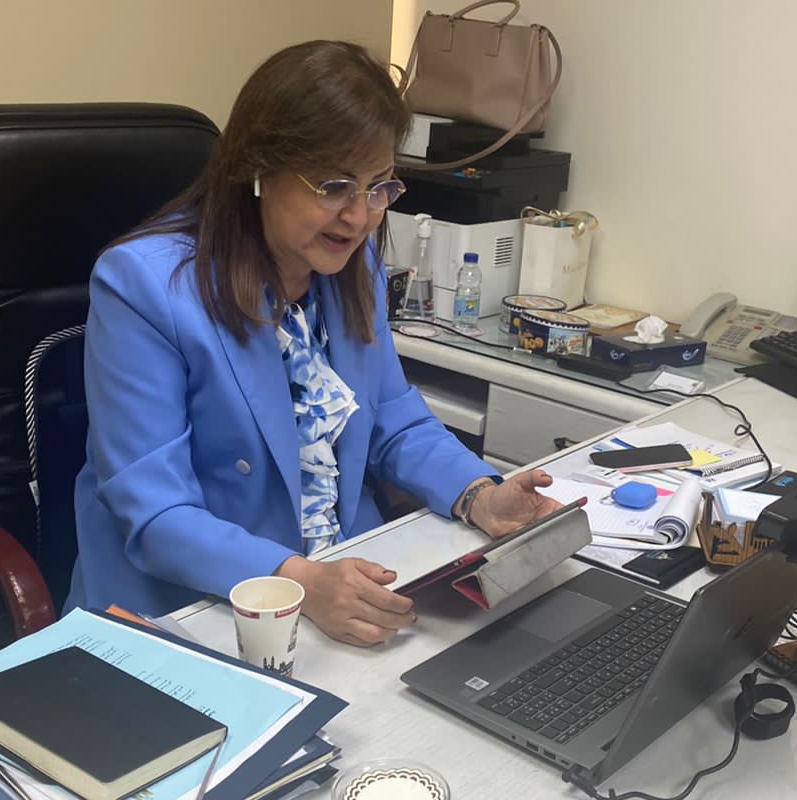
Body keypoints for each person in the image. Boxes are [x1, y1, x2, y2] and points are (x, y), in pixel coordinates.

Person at [66, 40, 558, 646]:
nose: (359, 216)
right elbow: (155, 512)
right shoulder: (144, 285)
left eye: (378, 187)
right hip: (191, 607)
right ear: (256, 168)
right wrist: (299, 581)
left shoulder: (352, 268)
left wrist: (479, 494)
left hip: (341, 583)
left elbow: (393, 421)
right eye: (333, 185)